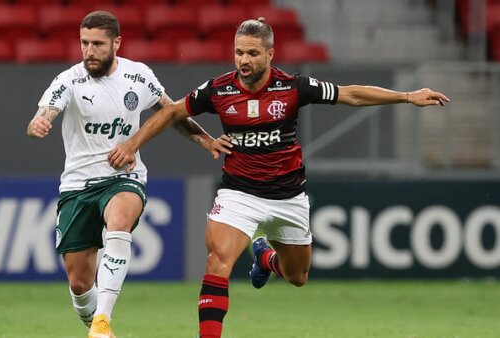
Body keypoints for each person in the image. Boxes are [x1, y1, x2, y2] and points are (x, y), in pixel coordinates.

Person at [107, 17, 450, 338]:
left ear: (270, 54)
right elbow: (171, 110)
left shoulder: (293, 87)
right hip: (238, 193)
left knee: (298, 277)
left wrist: (406, 97)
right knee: (217, 261)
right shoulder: (219, 90)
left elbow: (350, 94)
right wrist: (134, 143)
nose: (244, 60)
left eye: (253, 53)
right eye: (239, 52)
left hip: (288, 197)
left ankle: (266, 257)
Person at [26, 11, 220, 338]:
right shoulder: (68, 80)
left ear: (117, 42)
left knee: (118, 224)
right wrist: (37, 124)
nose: (89, 51)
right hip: (77, 186)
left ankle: (102, 318)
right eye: (85, 43)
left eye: (98, 44)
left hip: (123, 177)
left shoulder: (139, 76)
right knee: (79, 283)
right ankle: (97, 327)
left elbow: (171, 113)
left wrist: (206, 140)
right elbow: (44, 114)